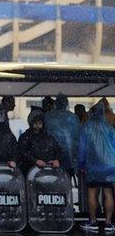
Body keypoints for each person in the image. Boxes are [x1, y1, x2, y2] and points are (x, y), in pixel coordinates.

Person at [78, 101, 115, 233]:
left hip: (93, 166)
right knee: (108, 193)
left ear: (91, 113)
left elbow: (82, 148)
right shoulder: (109, 127)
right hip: (110, 165)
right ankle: (108, 223)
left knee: (92, 193)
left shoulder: (86, 127)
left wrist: (81, 164)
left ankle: (93, 222)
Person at [44, 93, 80, 177]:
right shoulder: (73, 117)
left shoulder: (48, 116)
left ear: (56, 103)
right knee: (67, 178)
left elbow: (45, 134)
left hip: (52, 153)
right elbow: (77, 138)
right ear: (67, 103)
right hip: (69, 153)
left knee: (54, 179)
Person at [17, 108, 61, 175]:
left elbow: (58, 149)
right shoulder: (25, 137)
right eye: (35, 123)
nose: (38, 125)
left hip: (49, 172)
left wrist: (57, 160)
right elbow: (22, 152)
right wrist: (35, 161)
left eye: (40, 122)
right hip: (30, 172)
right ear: (31, 123)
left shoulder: (48, 137)